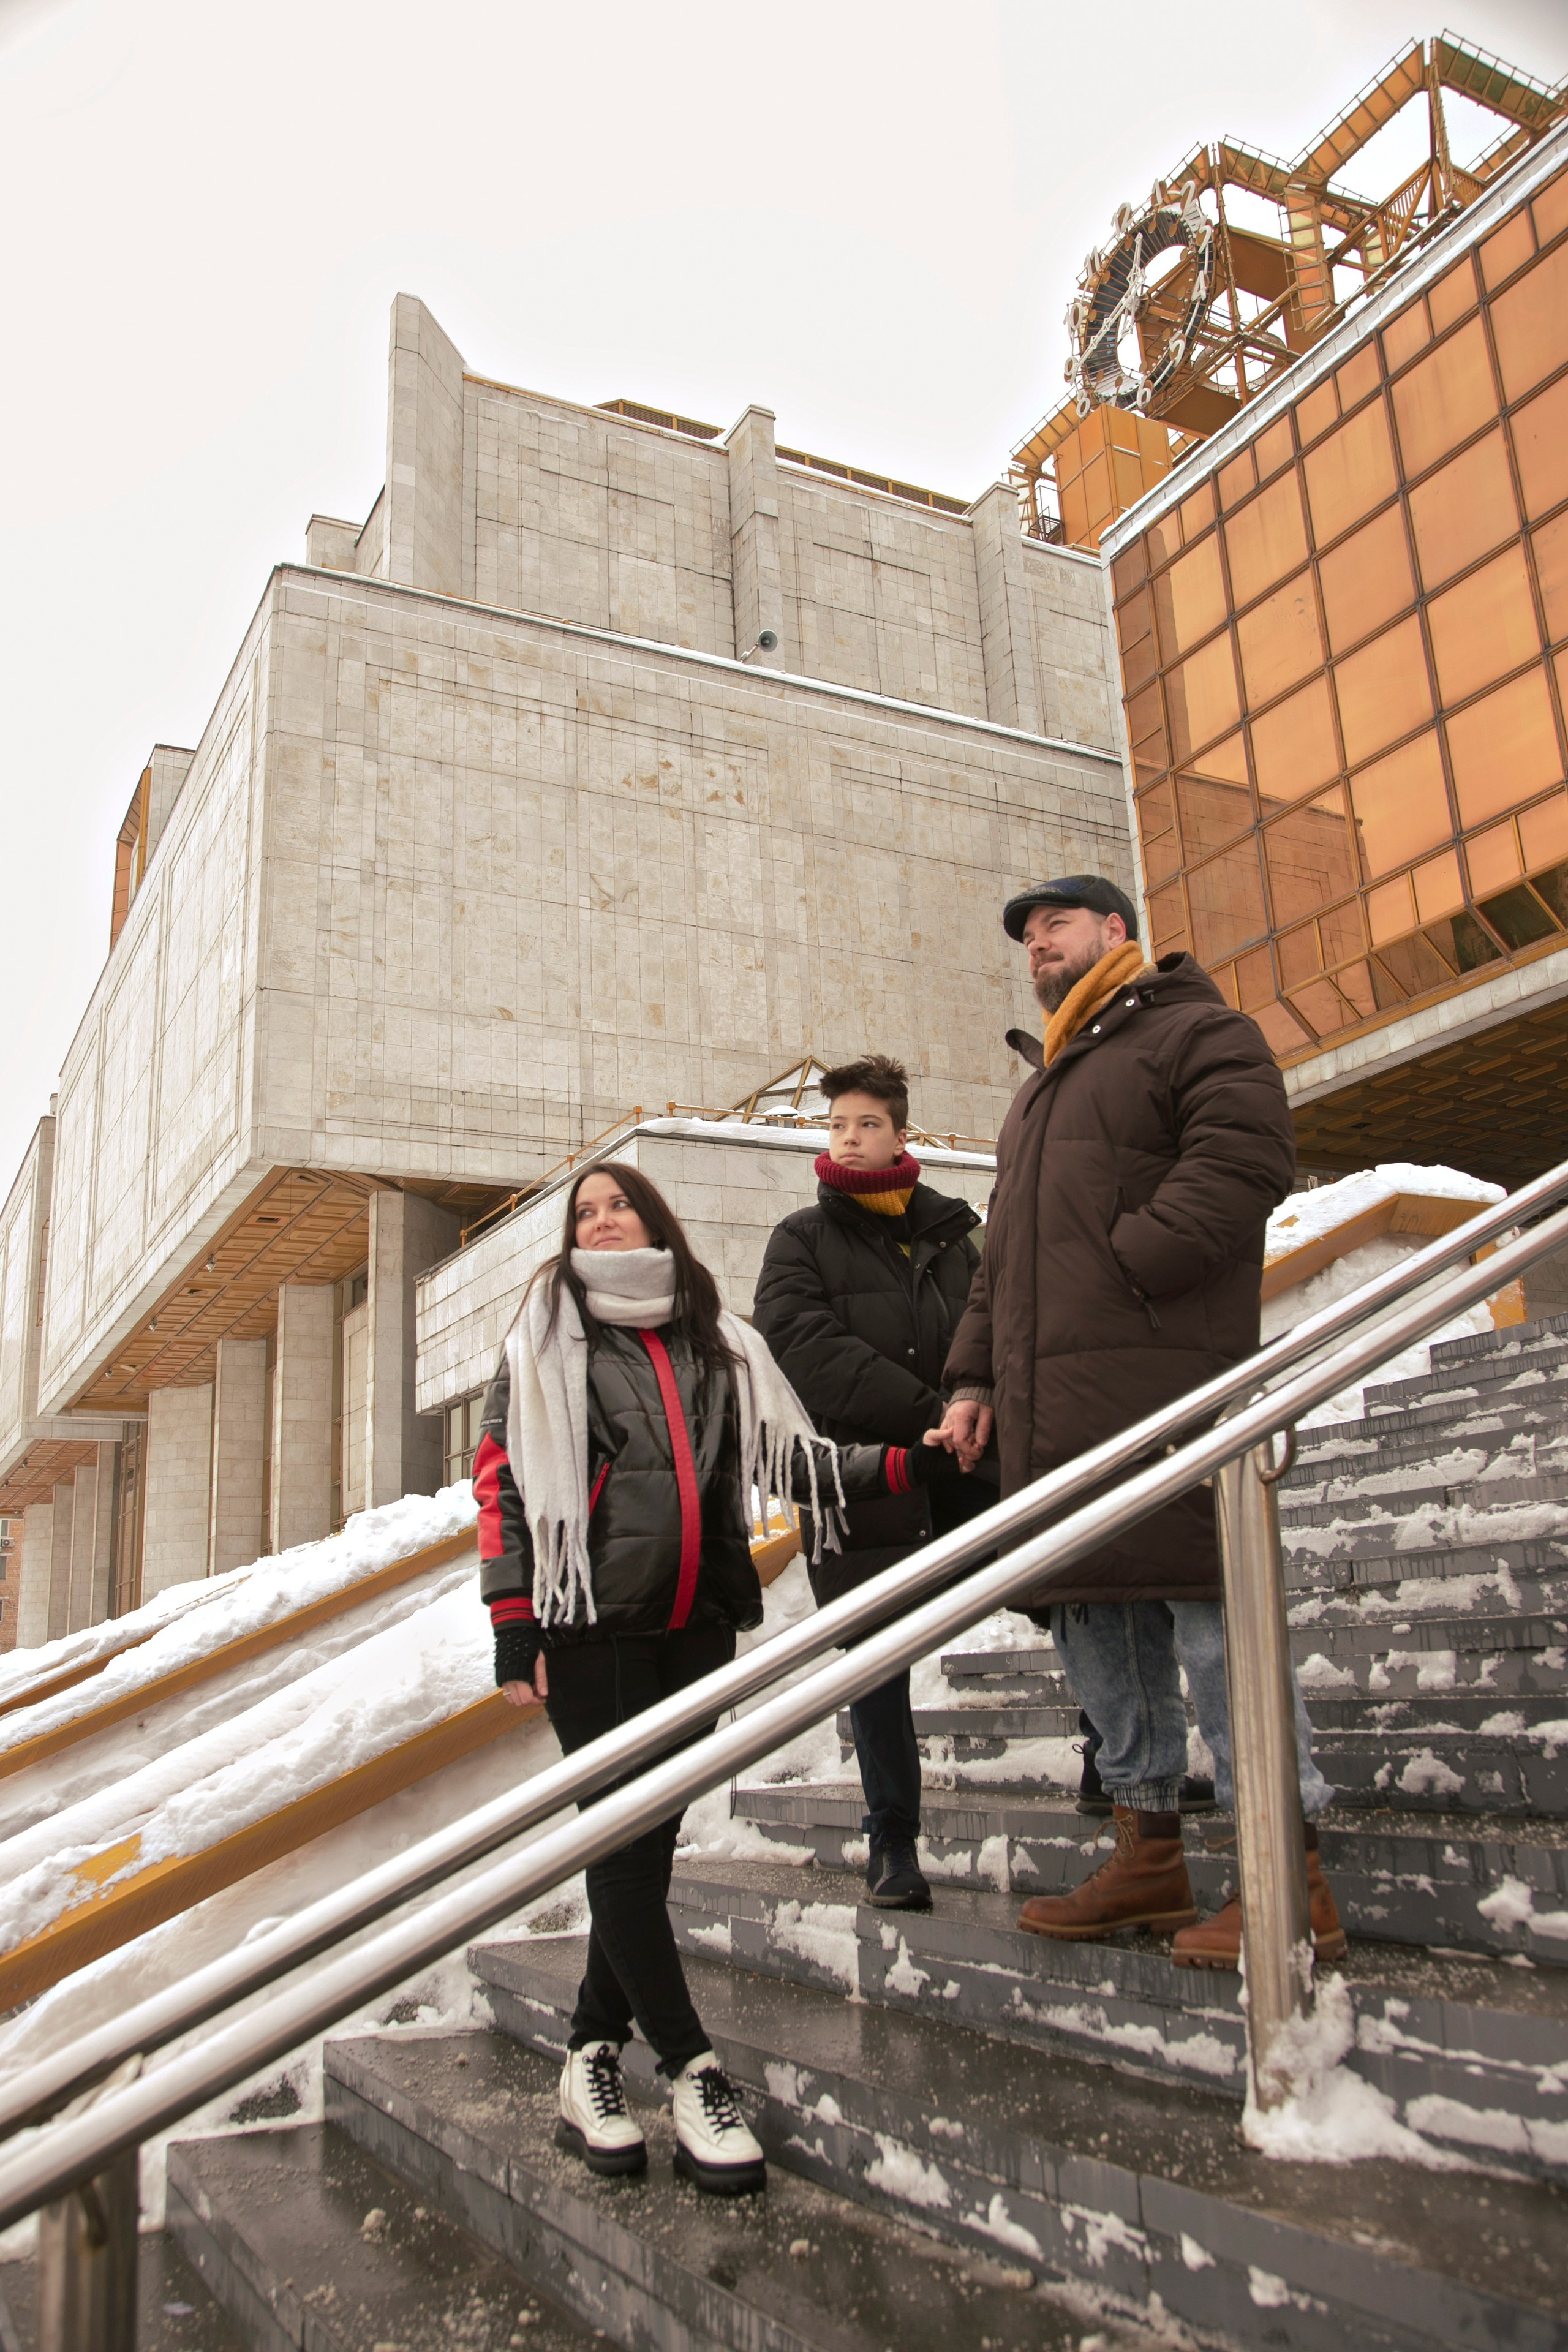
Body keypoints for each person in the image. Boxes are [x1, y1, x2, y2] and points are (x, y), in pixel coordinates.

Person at [473, 1162, 936, 2190]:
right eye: (584, 1213)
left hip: (697, 1625)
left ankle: (591, 2052)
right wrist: (513, 1619)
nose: (601, 1221)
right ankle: (691, 2069)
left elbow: (793, 1463)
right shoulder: (543, 1340)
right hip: (587, 1623)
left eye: (618, 1203)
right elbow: (501, 1482)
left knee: (646, 1850)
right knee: (623, 1846)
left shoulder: (718, 1340)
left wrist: (910, 1462)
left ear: (655, 1216)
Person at [932, 875, 1343, 1969]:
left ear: (1117, 931)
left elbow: (1246, 1162)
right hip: (1054, 1407)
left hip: (1166, 1386)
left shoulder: (1199, 1032)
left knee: (1212, 1620)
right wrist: (972, 1382)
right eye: (1025, 938)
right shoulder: (1042, 1088)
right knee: (1100, 1629)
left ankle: (1285, 1873)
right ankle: (1148, 1855)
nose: (1036, 950)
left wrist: (1127, 1269)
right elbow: (1000, 1261)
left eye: (1054, 926)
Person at [752, 1056, 990, 1912]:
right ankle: (893, 1840)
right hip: (865, 1484)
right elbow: (806, 1351)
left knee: (1064, 1588)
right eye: (838, 1126)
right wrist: (934, 1413)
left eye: (868, 1125)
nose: (850, 1141)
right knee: (877, 1664)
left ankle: (1110, 1767)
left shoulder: (956, 1235)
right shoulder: (799, 1240)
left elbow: (993, 1326)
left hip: (969, 1472)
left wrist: (973, 1407)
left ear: (900, 1132)